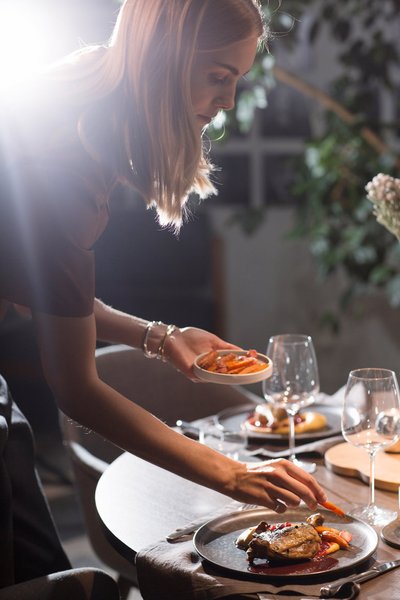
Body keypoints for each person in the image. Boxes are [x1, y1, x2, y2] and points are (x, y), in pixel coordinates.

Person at [0, 0, 328, 594]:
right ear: (162, 61)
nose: (228, 101)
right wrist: (234, 476)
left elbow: (37, 291)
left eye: (237, 80)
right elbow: (76, 388)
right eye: (218, 76)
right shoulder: (67, 171)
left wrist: (159, 337)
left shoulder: (85, 88)